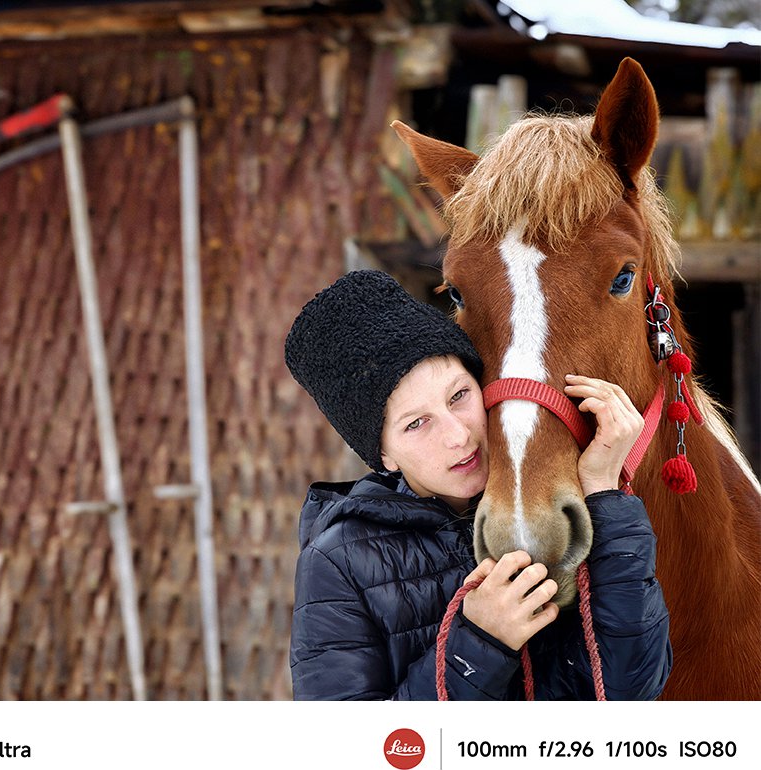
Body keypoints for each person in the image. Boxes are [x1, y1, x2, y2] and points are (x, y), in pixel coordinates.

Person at [283, 269, 671, 700]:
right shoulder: (338, 561)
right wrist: (481, 642)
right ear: (384, 456)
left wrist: (604, 490)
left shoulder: (545, 506)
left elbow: (631, 687)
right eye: (416, 424)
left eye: (458, 397)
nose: (458, 435)